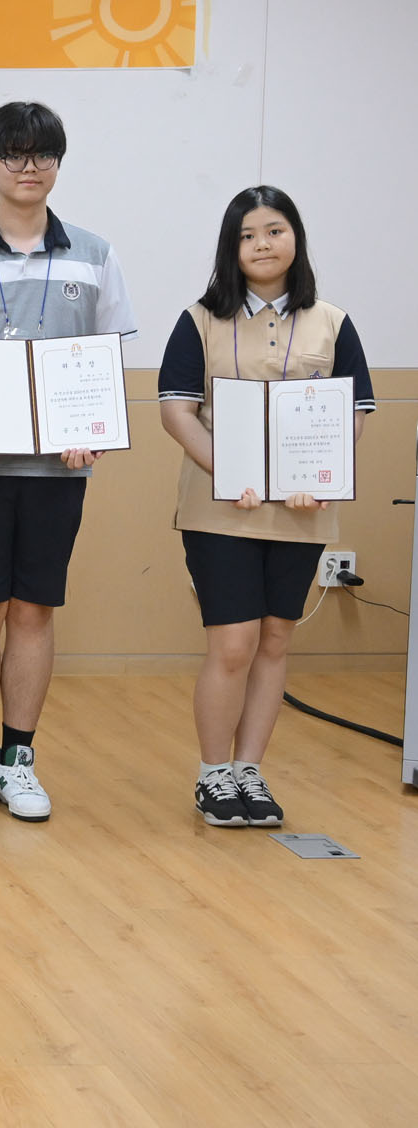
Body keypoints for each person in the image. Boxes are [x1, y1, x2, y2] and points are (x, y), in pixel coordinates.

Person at [0, 101, 134, 822]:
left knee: (35, 608)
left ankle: (18, 760)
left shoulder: (94, 254)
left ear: (57, 164)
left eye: (43, 154)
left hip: (58, 467)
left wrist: (92, 431)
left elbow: (104, 360)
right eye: (13, 155)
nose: (29, 167)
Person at [158, 187, 372, 827]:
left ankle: (249, 769)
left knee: (275, 639)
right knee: (233, 642)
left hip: (303, 510)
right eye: (248, 235)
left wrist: (318, 474)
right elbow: (176, 412)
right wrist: (231, 472)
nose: (262, 244)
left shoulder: (332, 321)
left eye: (275, 230)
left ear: (295, 238)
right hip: (221, 507)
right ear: (232, 248)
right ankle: (213, 774)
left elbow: (353, 412)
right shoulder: (199, 320)